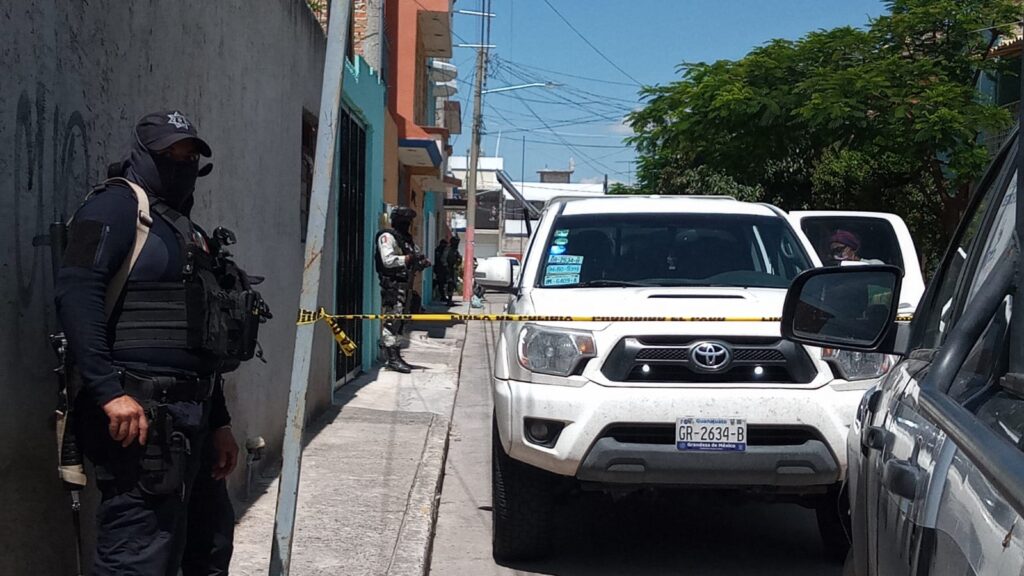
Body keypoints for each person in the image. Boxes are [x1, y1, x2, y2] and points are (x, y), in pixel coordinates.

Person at [55, 110, 268, 575]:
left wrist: (219, 422)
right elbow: (76, 294)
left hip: (193, 417)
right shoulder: (115, 208)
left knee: (208, 548)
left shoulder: (184, 228)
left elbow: (201, 341)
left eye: (190, 156)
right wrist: (109, 392)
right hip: (139, 417)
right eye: (170, 154)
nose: (182, 164)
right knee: (138, 557)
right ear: (142, 155)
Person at [375, 206, 430, 373]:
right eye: (404, 221)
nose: (407, 224)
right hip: (393, 286)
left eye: (409, 221)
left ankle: (397, 355)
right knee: (392, 322)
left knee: (401, 323)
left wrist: (420, 262)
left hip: (406, 286)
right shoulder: (387, 237)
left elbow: (415, 256)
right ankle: (391, 358)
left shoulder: (406, 240)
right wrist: (407, 259)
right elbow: (387, 261)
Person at [445, 236, 462, 305]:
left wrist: (457, 263)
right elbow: (444, 260)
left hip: (453, 270)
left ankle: (450, 299)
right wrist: (447, 268)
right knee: (450, 284)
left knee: (452, 284)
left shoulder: (455, 250)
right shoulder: (448, 250)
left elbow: (459, 258)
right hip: (448, 270)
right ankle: (449, 300)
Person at [433, 238, 449, 304]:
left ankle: (442, 296)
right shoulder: (438, 251)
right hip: (439, 269)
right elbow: (439, 260)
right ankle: (442, 296)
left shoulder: (440, 250)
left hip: (441, 270)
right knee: (440, 283)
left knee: (441, 283)